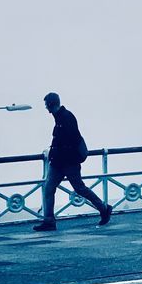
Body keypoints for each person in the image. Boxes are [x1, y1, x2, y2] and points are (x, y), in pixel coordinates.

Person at [33, 92, 112, 231]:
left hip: (68, 163)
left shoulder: (67, 117)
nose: (46, 109)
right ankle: (49, 221)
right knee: (49, 188)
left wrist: (60, 156)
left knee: (79, 188)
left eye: (47, 106)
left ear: (52, 104)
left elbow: (71, 141)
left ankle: (104, 208)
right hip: (59, 163)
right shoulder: (59, 118)